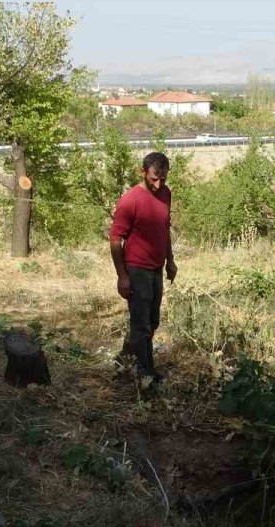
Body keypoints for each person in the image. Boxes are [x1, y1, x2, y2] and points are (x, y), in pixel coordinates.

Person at [109, 152, 177, 388]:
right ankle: (145, 376)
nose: (158, 185)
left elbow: (164, 230)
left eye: (163, 179)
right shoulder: (130, 200)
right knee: (141, 325)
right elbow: (116, 239)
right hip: (136, 269)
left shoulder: (166, 194)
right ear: (143, 173)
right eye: (153, 179)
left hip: (157, 268)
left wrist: (171, 261)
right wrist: (122, 276)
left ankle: (123, 360)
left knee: (152, 321)